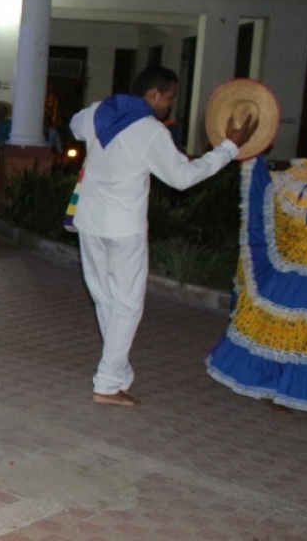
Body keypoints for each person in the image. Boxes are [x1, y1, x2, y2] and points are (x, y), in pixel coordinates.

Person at [69, 66, 256, 407]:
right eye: (169, 97)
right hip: (124, 227)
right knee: (126, 305)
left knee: (107, 300)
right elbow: (182, 176)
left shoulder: (99, 111)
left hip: (90, 221)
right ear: (155, 93)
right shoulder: (150, 130)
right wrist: (229, 148)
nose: (170, 104)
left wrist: (107, 111)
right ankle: (108, 384)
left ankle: (115, 375)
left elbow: (74, 125)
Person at [206, 115, 307, 414]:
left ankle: (295, 389)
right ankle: (275, 385)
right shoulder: (299, 174)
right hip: (293, 265)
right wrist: (254, 158)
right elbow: (267, 194)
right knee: (283, 324)